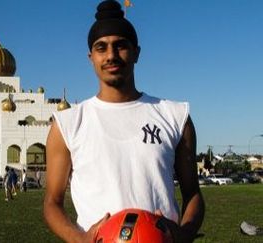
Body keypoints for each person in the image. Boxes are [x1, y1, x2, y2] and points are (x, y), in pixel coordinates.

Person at [43, 1, 205, 242]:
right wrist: (81, 239)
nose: (111, 55)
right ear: (91, 57)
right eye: (101, 48)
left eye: (120, 46)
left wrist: (185, 233)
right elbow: (52, 202)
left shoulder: (174, 115)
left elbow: (193, 193)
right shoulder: (68, 123)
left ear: (136, 52)